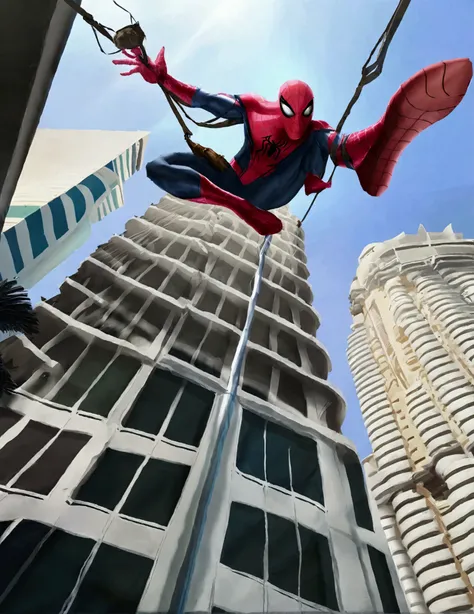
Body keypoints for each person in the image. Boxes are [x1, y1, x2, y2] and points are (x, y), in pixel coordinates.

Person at [114, 49, 472, 235]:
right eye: (291, 114)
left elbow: (339, 146)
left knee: (322, 141)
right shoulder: (254, 109)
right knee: (159, 167)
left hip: (272, 192)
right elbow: (204, 99)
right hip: (231, 182)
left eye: (305, 113)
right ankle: (238, 207)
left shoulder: (316, 132)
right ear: (279, 106)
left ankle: (382, 136)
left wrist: (380, 131)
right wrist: (163, 78)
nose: (298, 123)